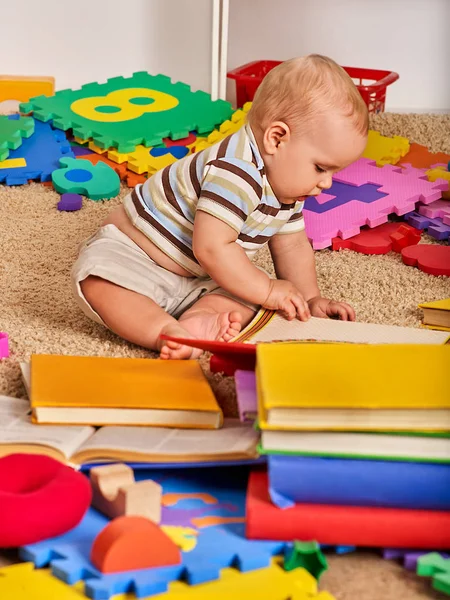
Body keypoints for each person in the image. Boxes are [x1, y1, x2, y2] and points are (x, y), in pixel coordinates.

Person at [71, 54, 369, 359]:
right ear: (276, 139)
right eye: (321, 168)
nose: (327, 183)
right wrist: (268, 289)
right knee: (99, 280)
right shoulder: (236, 170)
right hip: (139, 255)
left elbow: (292, 246)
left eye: (334, 172)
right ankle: (162, 331)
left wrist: (308, 297)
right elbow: (211, 248)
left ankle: (199, 322)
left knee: (257, 300)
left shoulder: (290, 187)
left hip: (203, 275)